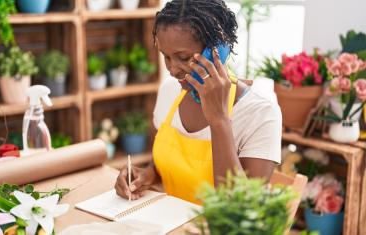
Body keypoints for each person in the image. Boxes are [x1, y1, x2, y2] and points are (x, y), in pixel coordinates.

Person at [115, 0, 282, 204]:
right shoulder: (170, 91)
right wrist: (148, 175)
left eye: (183, 57)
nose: (173, 70)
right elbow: (164, 165)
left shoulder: (261, 112)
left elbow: (241, 207)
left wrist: (219, 120)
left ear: (217, 50)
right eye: (166, 57)